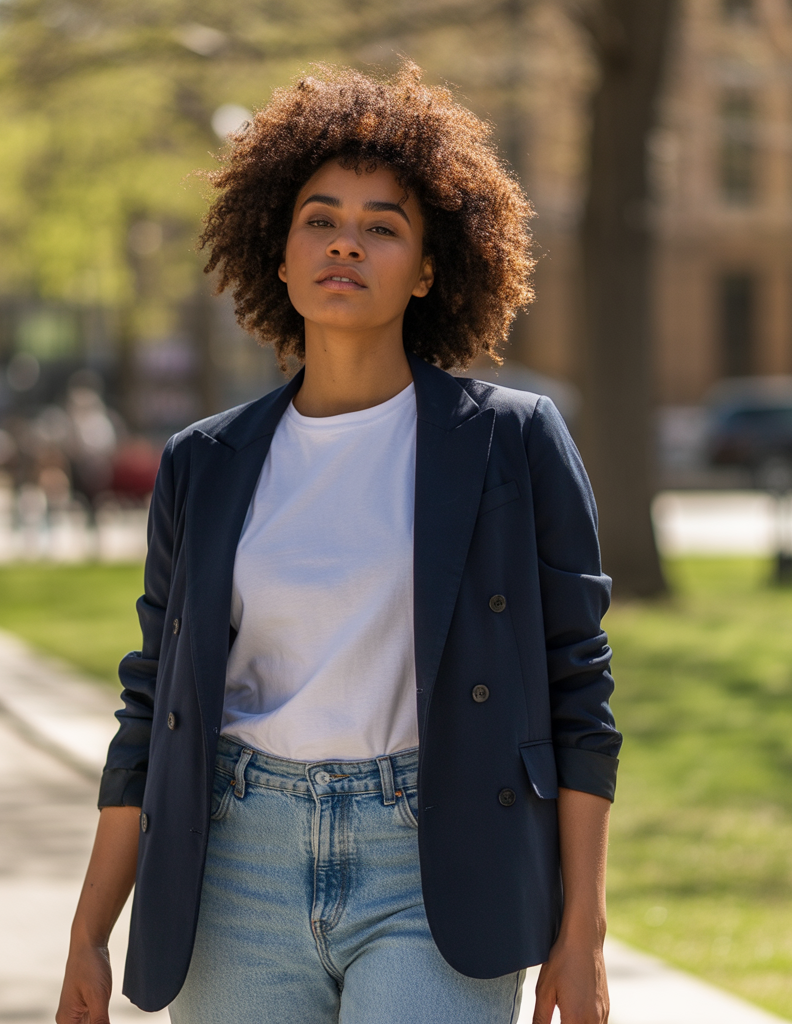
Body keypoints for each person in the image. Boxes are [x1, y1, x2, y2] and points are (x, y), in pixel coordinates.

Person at [56, 62, 620, 1024]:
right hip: (237, 863)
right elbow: (153, 706)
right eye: (319, 219)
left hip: (433, 867)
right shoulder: (205, 462)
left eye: (383, 226)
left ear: (430, 269)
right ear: (277, 253)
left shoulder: (512, 442)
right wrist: (89, 931)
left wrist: (584, 931)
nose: (345, 244)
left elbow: (579, 695)